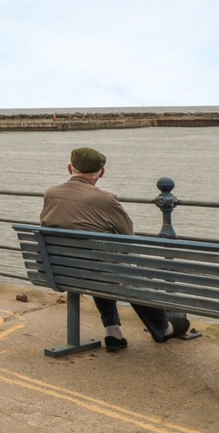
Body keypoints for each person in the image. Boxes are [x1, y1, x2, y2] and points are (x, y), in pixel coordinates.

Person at [40, 147, 192, 352]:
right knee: (123, 270)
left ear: (70, 168)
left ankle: (113, 331)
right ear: (101, 172)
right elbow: (127, 236)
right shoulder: (106, 199)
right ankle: (163, 328)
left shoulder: (50, 193)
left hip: (62, 270)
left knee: (101, 266)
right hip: (97, 270)